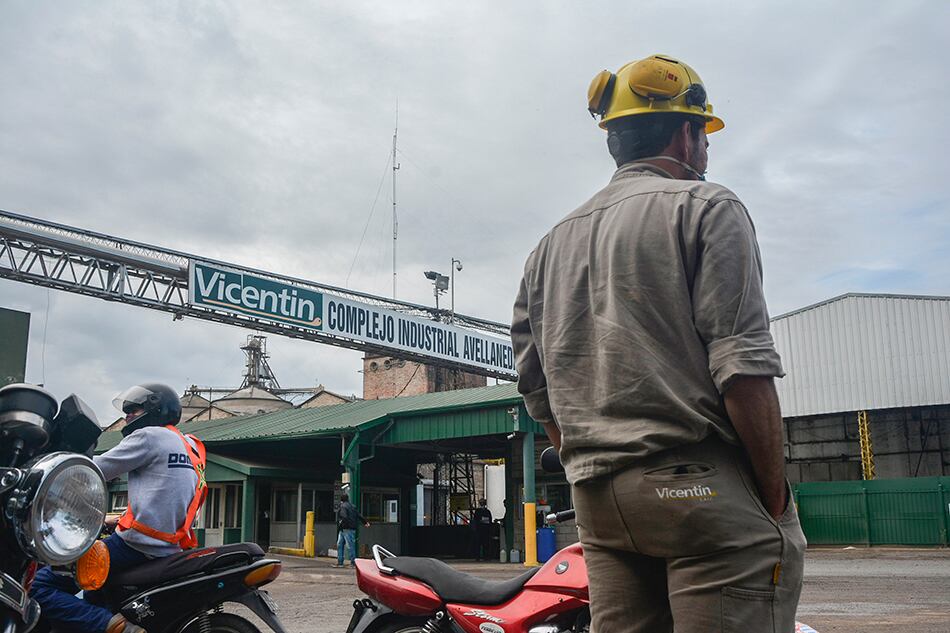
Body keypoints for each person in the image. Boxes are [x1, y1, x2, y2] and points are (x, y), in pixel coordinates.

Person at [511, 54, 806, 633]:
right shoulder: (708, 208)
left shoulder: (548, 247)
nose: (705, 150)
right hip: (699, 492)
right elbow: (742, 366)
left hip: (601, 504)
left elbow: (536, 389)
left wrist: (588, 466)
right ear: (686, 134)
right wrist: (773, 497)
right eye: (704, 134)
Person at [30, 383, 206, 633]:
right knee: (93, 593)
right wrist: (117, 519)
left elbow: (93, 470)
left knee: (41, 586)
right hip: (171, 546)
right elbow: (165, 495)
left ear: (156, 408)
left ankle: (112, 626)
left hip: (136, 546)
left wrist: (45, 467)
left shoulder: (149, 436)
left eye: (135, 410)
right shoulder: (191, 445)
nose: (128, 417)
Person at [334, 493, 369, 568]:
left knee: (342, 545)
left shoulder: (343, 506)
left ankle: (343, 562)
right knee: (348, 545)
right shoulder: (352, 506)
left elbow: (344, 516)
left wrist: (341, 523)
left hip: (345, 528)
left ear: (341, 500)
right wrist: (365, 522)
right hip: (350, 528)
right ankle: (350, 562)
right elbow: (358, 515)